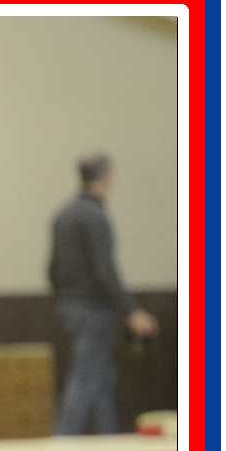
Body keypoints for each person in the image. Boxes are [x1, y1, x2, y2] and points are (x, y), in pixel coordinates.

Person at [48, 153, 158, 435]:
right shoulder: (95, 217)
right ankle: (63, 440)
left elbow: (53, 267)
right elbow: (105, 270)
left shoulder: (63, 215)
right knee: (85, 377)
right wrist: (130, 310)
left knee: (101, 378)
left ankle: (106, 436)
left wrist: (63, 300)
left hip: (69, 305)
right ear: (105, 177)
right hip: (93, 308)